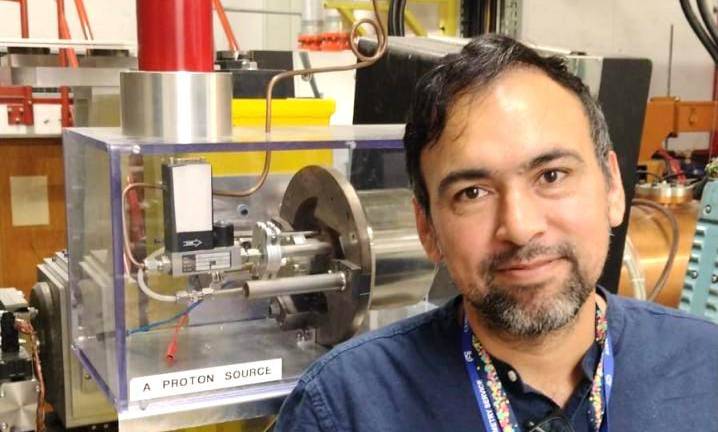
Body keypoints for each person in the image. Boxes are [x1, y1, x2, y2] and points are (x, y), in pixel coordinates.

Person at [274, 34, 718, 431]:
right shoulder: (343, 409)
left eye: (551, 175)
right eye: (473, 193)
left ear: (613, 188)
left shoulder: (706, 368)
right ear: (427, 228)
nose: (520, 228)